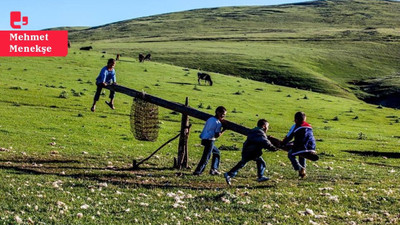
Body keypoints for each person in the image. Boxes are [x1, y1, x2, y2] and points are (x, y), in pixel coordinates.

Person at [224, 119, 278, 185]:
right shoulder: (259, 132)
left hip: (248, 150)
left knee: (244, 163)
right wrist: (273, 148)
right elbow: (264, 141)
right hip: (252, 151)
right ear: (264, 126)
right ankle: (260, 176)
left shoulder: (254, 131)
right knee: (260, 162)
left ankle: (229, 174)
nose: (268, 128)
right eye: (267, 126)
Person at [193, 106, 227, 176]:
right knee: (206, 157)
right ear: (218, 112)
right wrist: (224, 130)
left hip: (204, 138)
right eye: (222, 114)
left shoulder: (210, 119)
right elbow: (217, 135)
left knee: (216, 152)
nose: (223, 116)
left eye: (224, 115)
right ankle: (198, 171)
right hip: (210, 140)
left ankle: (214, 169)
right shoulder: (218, 123)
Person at [281, 112, 316, 178]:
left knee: (291, 154)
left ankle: (299, 168)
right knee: (302, 155)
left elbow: (289, 137)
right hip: (311, 146)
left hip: (301, 145)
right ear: (305, 119)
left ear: (295, 119)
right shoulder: (309, 126)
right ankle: (302, 173)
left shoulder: (296, 126)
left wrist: (283, 143)